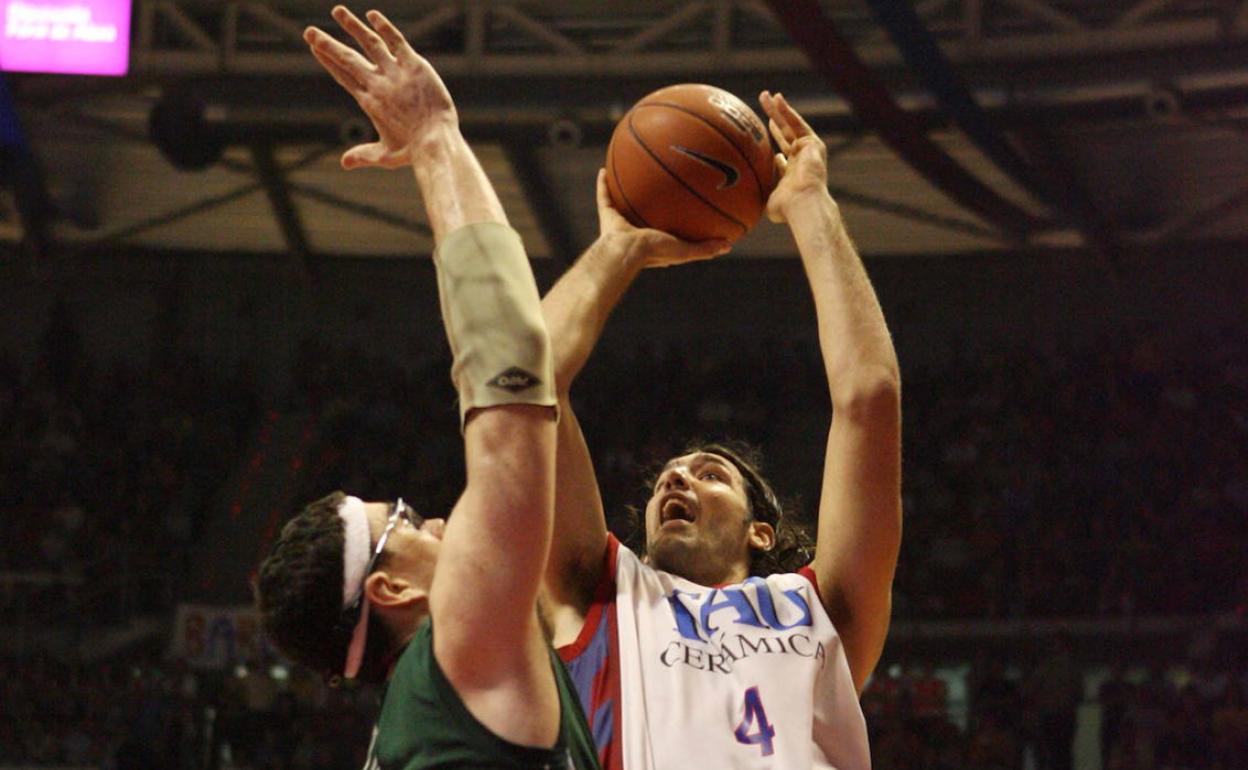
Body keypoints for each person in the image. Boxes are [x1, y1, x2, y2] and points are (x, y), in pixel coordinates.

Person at [254, 7, 598, 769]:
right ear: (389, 591)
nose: (436, 520)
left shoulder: (416, 716)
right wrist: (436, 139)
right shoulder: (463, 650)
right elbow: (510, 393)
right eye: (403, 520)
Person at [540, 92, 901, 769]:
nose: (676, 475)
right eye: (668, 475)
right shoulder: (602, 592)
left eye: (711, 472)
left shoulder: (821, 606)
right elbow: (523, 383)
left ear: (761, 531)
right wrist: (616, 250)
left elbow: (870, 397)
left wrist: (810, 204)